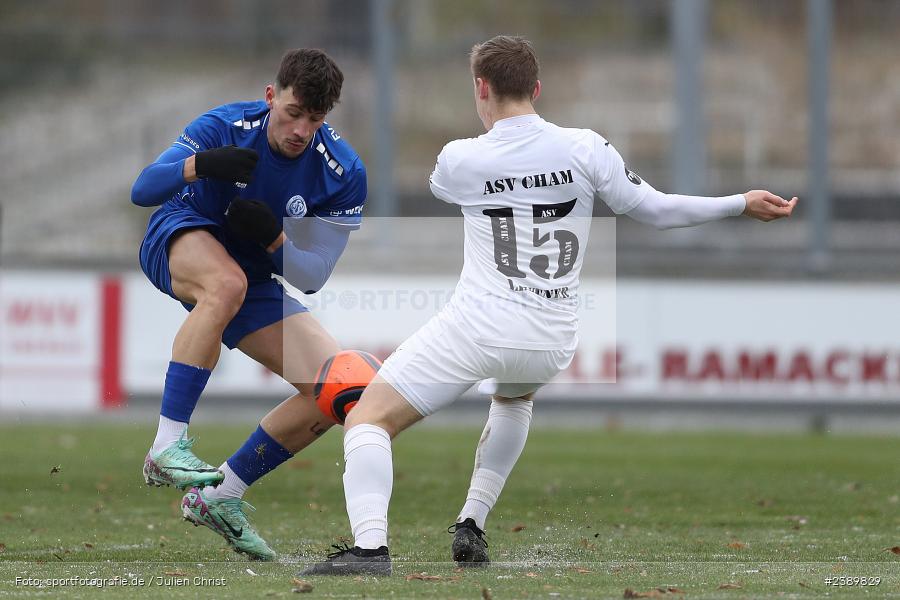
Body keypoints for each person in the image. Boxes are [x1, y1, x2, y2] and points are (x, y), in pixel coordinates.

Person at [301, 35, 797, 576]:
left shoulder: (460, 158)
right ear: (536, 88)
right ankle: (472, 523)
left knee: (368, 420)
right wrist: (738, 203)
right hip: (550, 337)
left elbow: (445, 186)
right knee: (513, 400)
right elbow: (654, 209)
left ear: (481, 88)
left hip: (480, 327)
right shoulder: (586, 148)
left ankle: (370, 550)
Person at [131, 48, 367, 560]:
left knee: (342, 388)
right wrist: (199, 166)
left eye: (315, 118)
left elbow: (314, 274)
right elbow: (142, 189)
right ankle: (165, 445)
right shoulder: (225, 125)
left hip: (255, 277)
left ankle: (221, 495)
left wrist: (276, 241)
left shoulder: (342, 170)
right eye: (292, 112)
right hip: (179, 235)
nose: (301, 129)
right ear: (270, 96)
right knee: (225, 283)